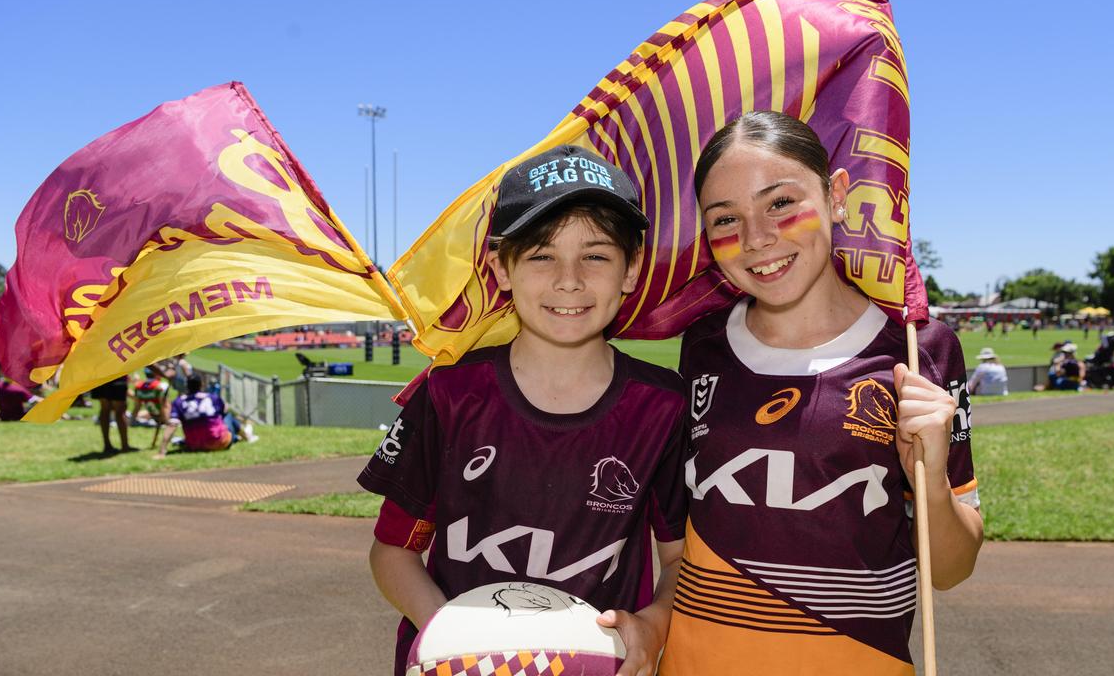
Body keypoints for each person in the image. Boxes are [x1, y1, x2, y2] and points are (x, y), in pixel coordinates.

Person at [659, 112, 981, 675]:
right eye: (726, 218)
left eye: (780, 203)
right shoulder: (703, 346)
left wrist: (929, 481)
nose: (756, 239)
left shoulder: (917, 349)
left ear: (836, 196)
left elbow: (950, 570)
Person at [356, 145, 689, 676]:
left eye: (597, 255)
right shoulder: (449, 395)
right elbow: (392, 553)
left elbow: (678, 559)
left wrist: (653, 625)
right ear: (501, 268)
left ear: (631, 270)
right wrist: (456, 638)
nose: (569, 279)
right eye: (540, 255)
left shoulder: (663, 406)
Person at [153, 375, 232, 457]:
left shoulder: (179, 402)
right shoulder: (213, 397)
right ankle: (243, 436)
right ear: (201, 385)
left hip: (194, 445)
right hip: (219, 442)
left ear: (187, 386)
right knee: (229, 417)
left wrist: (162, 451)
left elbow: (172, 425)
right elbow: (223, 414)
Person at [90, 374, 131, 453]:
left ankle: (107, 445)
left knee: (105, 409)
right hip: (116, 376)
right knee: (119, 411)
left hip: (99, 377)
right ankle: (125, 446)